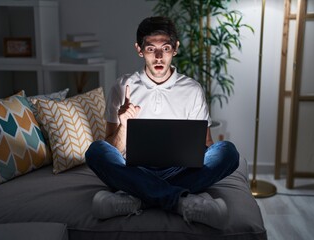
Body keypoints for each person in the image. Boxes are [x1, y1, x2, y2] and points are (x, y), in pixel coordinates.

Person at [85, 16, 239, 229]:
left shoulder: (192, 89)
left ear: (175, 48)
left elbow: (208, 146)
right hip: (134, 167)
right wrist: (125, 125)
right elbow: (110, 149)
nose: (159, 57)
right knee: (95, 152)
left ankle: (137, 197)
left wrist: (197, 156)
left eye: (165, 48)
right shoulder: (122, 86)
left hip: (177, 170)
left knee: (228, 152)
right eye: (151, 49)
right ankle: (181, 201)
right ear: (139, 50)